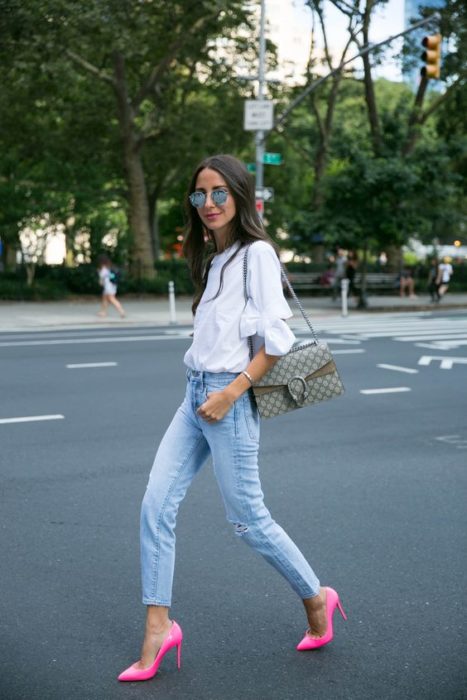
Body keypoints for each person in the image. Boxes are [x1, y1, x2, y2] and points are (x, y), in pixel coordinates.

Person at [117, 155, 346, 683]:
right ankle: (158, 627)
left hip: (230, 398)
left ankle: (317, 597)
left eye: (220, 192)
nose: (209, 204)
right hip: (194, 395)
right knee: (155, 506)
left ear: (241, 195)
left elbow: (275, 342)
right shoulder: (213, 260)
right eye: (200, 195)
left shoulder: (257, 255)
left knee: (247, 520)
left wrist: (231, 391)